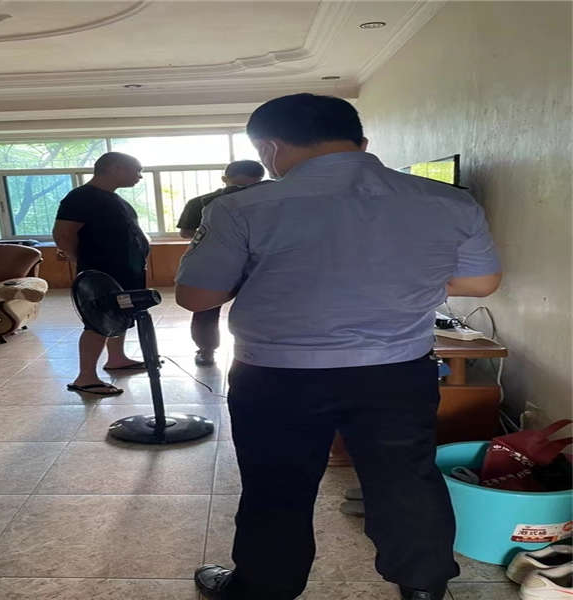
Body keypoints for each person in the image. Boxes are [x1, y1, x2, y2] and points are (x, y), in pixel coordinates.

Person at [175, 93, 502, 600]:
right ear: (362, 144)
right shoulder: (450, 201)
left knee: (276, 482)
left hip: (277, 375)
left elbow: (196, 296)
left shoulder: (240, 208)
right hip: (396, 371)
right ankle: (423, 587)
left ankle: (264, 587)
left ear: (270, 148)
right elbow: (481, 283)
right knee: (406, 479)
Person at [53, 152, 150, 396]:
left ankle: (117, 358)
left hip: (124, 273)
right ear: (116, 168)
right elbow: (63, 234)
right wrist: (83, 262)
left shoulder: (113, 198)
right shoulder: (81, 197)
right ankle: (86, 378)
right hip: (101, 274)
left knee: (121, 315)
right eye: (136, 170)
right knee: (98, 322)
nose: (140, 176)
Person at [177, 160, 266, 366]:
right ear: (224, 179)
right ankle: (207, 349)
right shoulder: (202, 202)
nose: (243, 191)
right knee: (206, 308)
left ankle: (251, 349)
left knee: (255, 306)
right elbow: (185, 233)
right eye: (239, 185)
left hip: (247, 262)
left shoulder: (269, 202)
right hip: (222, 261)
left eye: (251, 186)